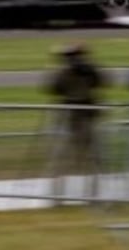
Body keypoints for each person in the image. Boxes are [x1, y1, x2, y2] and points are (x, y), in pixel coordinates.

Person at [44, 43, 106, 200]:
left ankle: (59, 194)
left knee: (66, 156)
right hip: (84, 116)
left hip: (72, 116)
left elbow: (53, 88)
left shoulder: (68, 72)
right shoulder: (89, 70)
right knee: (89, 157)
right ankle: (91, 193)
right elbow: (101, 83)